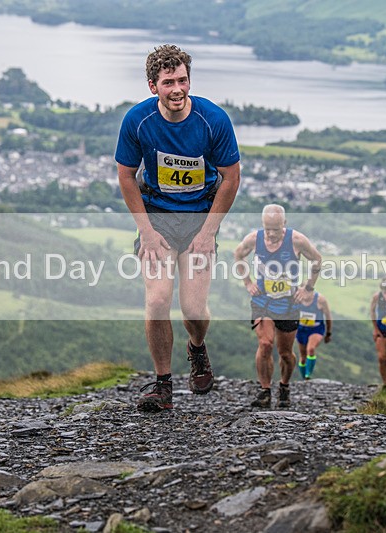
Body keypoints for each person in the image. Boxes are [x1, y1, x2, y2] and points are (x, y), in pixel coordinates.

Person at [115, 44, 241, 412]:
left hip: (200, 218)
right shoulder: (137, 121)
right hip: (157, 217)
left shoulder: (213, 120)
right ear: (152, 85)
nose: (177, 89)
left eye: (182, 80)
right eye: (168, 82)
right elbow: (126, 176)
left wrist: (207, 233)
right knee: (156, 300)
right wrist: (147, 231)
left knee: (194, 308)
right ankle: (162, 384)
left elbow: (231, 177)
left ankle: (197, 348)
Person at [233, 204, 322, 408]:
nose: (271, 234)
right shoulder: (254, 239)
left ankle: (284, 385)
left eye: (276, 229)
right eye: (268, 229)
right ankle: (265, 390)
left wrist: (308, 288)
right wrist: (247, 282)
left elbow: (317, 260)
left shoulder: (296, 240)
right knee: (265, 344)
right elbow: (238, 255)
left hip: (288, 304)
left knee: (285, 353)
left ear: (284, 224)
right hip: (262, 301)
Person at [294, 287, 333, 381]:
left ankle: (308, 375)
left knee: (310, 349)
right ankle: (304, 378)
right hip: (301, 329)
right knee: (302, 357)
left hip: (316, 329)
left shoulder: (320, 300)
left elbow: (328, 317)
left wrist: (328, 333)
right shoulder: (296, 298)